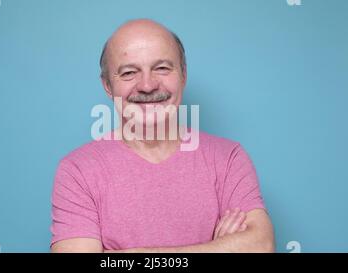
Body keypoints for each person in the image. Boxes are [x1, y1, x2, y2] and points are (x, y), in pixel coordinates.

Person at [50, 19, 275, 253]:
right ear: (108, 85)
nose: (147, 85)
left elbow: (261, 246)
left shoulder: (228, 159)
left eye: (162, 68)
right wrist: (218, 248)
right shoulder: (77, 170)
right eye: (129, 73)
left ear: (183, 76)